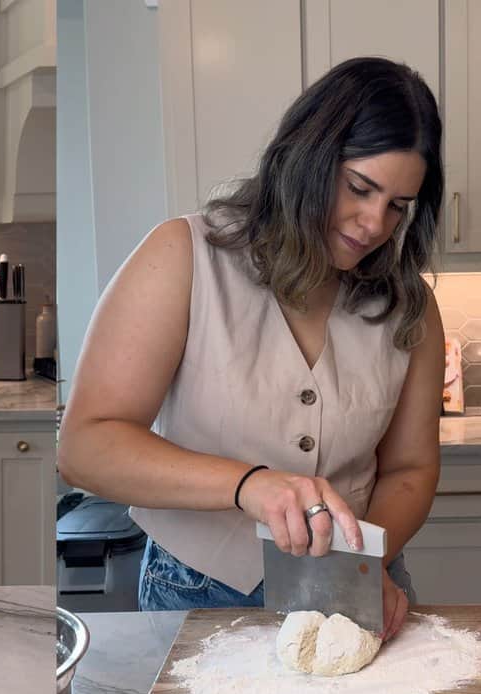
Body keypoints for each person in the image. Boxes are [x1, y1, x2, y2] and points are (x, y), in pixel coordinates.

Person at [57, 57, 445, 640]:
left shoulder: (408, 305)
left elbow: (411, 469)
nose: (374, 224)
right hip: (198, 589)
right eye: (359, 188)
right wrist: (250, 485)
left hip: (360, 583)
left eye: (398, 206)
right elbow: (86, 447)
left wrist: (357, 562)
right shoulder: (184, 257)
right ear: (308, 158)